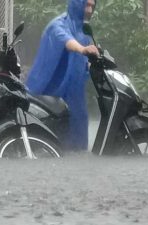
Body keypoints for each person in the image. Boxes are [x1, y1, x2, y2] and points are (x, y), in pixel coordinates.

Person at [25, 0, 99, 151]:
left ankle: (76, 160)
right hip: (49, 88)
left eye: (92, 5)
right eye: (87, 5)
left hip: (73, 90)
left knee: (79, 122)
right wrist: (83, 49)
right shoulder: (58, 24)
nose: (90, 10)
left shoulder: (82, 30)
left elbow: (84, 57)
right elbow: (66, 40)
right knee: (57, 127)